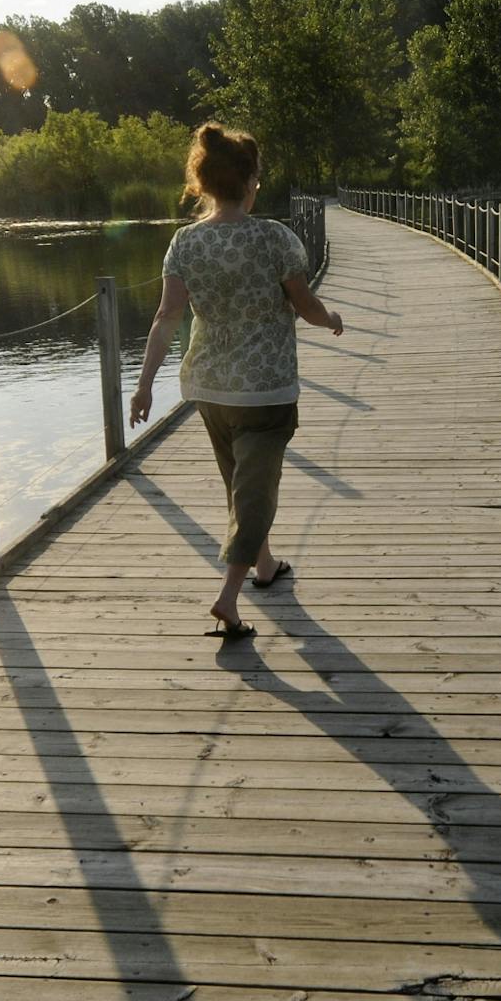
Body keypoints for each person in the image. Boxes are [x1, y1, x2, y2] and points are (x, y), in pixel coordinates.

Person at [129, 122, 344, 639]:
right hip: (265, 388)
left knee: (239, 484)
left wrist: (144, 384)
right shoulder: (274, 237)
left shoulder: (184, 243)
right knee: (256, 491)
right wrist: (331, 319)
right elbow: (305, 304)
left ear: (203, 183)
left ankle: (264, 566)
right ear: (251, 180)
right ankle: (228, 596)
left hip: (208, 388)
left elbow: (165, 318)